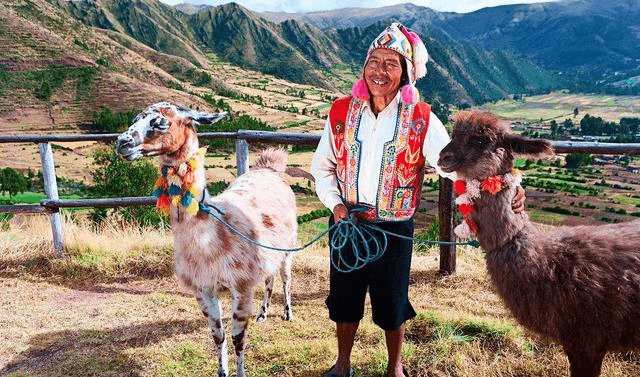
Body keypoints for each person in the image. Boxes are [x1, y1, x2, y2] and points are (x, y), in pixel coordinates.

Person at [311, 22, 525, 377]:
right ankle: (343, 364)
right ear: (364, 67)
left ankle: (395, 368)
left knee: (392, 302)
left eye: (391, 63)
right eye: (374, 61)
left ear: (407, 72)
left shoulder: (422, 120)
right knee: (344, 298)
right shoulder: (340, 113)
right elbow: (323, 168)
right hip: (346, 224)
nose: (380, 71)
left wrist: (505, 186)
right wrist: (336, 207)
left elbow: (455, 166)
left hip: (394, 228)